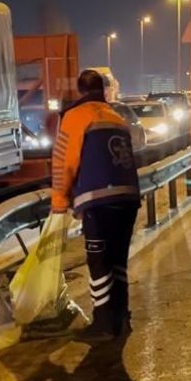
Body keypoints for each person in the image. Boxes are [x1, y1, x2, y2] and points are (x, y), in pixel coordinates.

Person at [52, 70, 141, 339]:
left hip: (98, 201)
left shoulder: (75, 116)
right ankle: (121, 317)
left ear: (80, 90)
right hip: (128, 199)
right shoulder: (117, 118)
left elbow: (64, 162)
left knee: (99, 261)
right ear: (103, 90)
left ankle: (103, 323)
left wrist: (60, 200)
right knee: (118, 259)